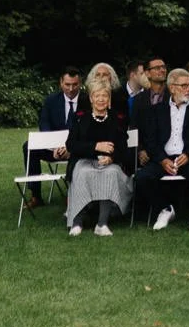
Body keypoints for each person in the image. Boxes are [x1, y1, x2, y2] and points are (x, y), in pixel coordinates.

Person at [134, 67, 189, 234]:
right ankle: (165, 209)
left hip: (188, 157)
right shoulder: (157, 111)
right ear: (172, 87)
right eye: (183, 85)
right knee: (142, 177)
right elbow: (151, 141)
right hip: (164, 157)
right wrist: (162, 160)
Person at [63, 80, 132, 237]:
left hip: (108, 163)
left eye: (104, 96)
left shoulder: (117, 119)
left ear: (109, 100)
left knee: (110, 173)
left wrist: (112, 158)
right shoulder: (80, 118)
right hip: (84, 160)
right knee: (82, 173)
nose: (101, 99)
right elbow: (71, 145)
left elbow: (123, 148)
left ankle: (102, 224)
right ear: (91, 99)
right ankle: (77, 221)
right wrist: (95, 146)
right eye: (97, 95)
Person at [21, 67, 82, 210]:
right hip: (53, 147)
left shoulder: (87, 101)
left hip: (77, 149)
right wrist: (54, 146)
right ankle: (35, 195)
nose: (71, 89)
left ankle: (74, 195)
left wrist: (70, 148)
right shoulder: (51, 101)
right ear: (61, 83)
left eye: (74, 84)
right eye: (67, 84)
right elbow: (44, 123)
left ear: (80, 83)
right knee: (28, 147)